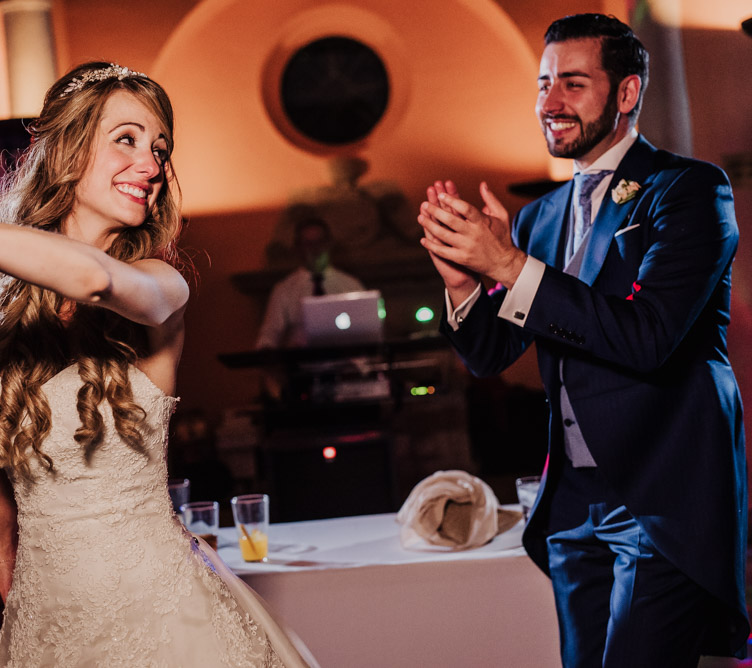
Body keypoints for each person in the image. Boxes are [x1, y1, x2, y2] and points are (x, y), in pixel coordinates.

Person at [0, 61, 318, 667]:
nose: (152, 163)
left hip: (155, 619)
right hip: (45, 619)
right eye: (127, 139)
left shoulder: (162, 288)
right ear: (66, 153)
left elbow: (93, 277)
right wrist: (3, 544)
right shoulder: (11, 309)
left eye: (160, 148)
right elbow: (5, 448)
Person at [417, 14, 747, 667]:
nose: (549, 104)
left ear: (626, 94)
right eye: (543, 85)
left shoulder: (688, 191)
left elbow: (647, 338)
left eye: (572, 83)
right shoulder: (541, 217)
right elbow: (490, 354)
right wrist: (462, 285)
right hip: (572, 507)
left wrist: (509, 267)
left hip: (660, 498)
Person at [256, 217, 364, 349]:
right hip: (301, 366)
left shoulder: (351, 285)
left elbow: (366, 330)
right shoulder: (284, 289)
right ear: (298, 248)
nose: (315, 249)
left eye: (320, 242)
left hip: (344, 365)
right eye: (308, 243)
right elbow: (270, 333)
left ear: (329, 243)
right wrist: (267, 350)